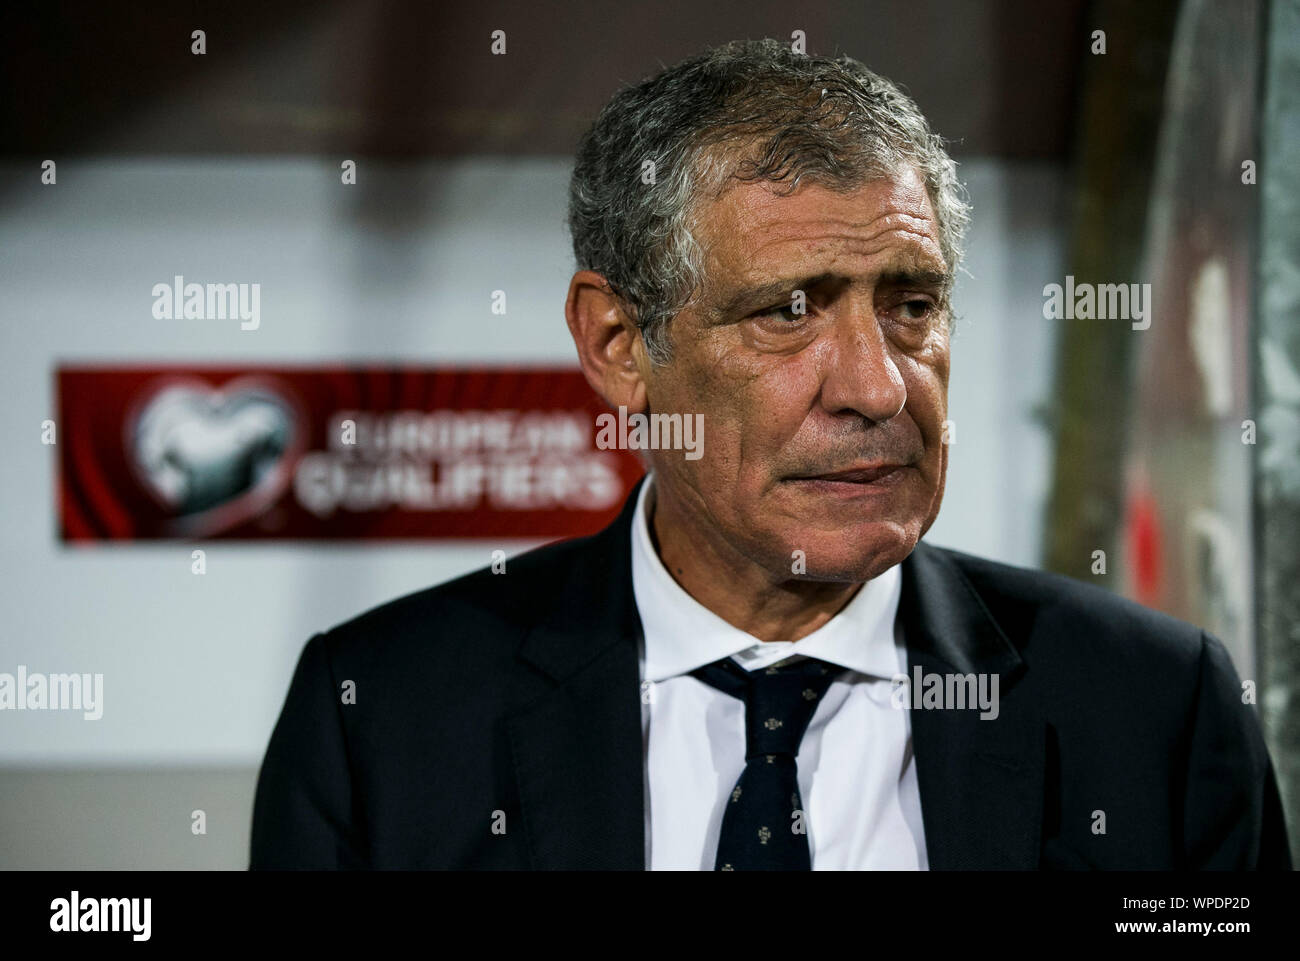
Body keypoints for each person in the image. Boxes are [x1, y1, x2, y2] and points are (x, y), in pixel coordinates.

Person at [250, 38, 1291, 870]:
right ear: (620, 346)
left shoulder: (1157, 710)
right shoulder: (380, 720)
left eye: (912, 305)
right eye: (787, 313)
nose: (877, 388)